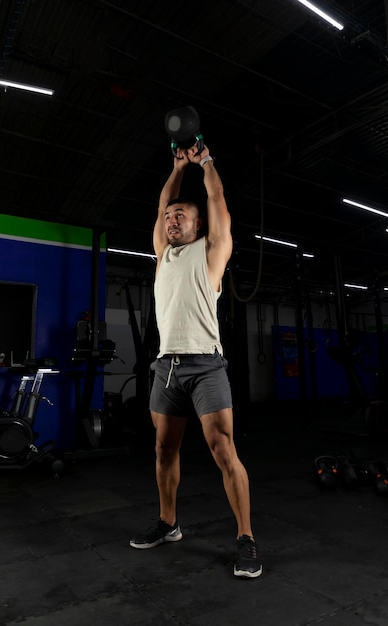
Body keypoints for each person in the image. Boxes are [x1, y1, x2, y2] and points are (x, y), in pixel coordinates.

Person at [129, 142, 262, 579]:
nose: (171, 219)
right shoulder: (163, 255)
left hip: (206, 364)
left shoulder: (211, 253)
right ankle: (169, 524)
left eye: (180, 215)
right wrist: (175, 169)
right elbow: (162, 202)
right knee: (163, 448)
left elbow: (217, 199)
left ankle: (246, 539)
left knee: (224, 449)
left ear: (199, 224)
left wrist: (204, 162)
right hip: (166, 367)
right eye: (168, 216)